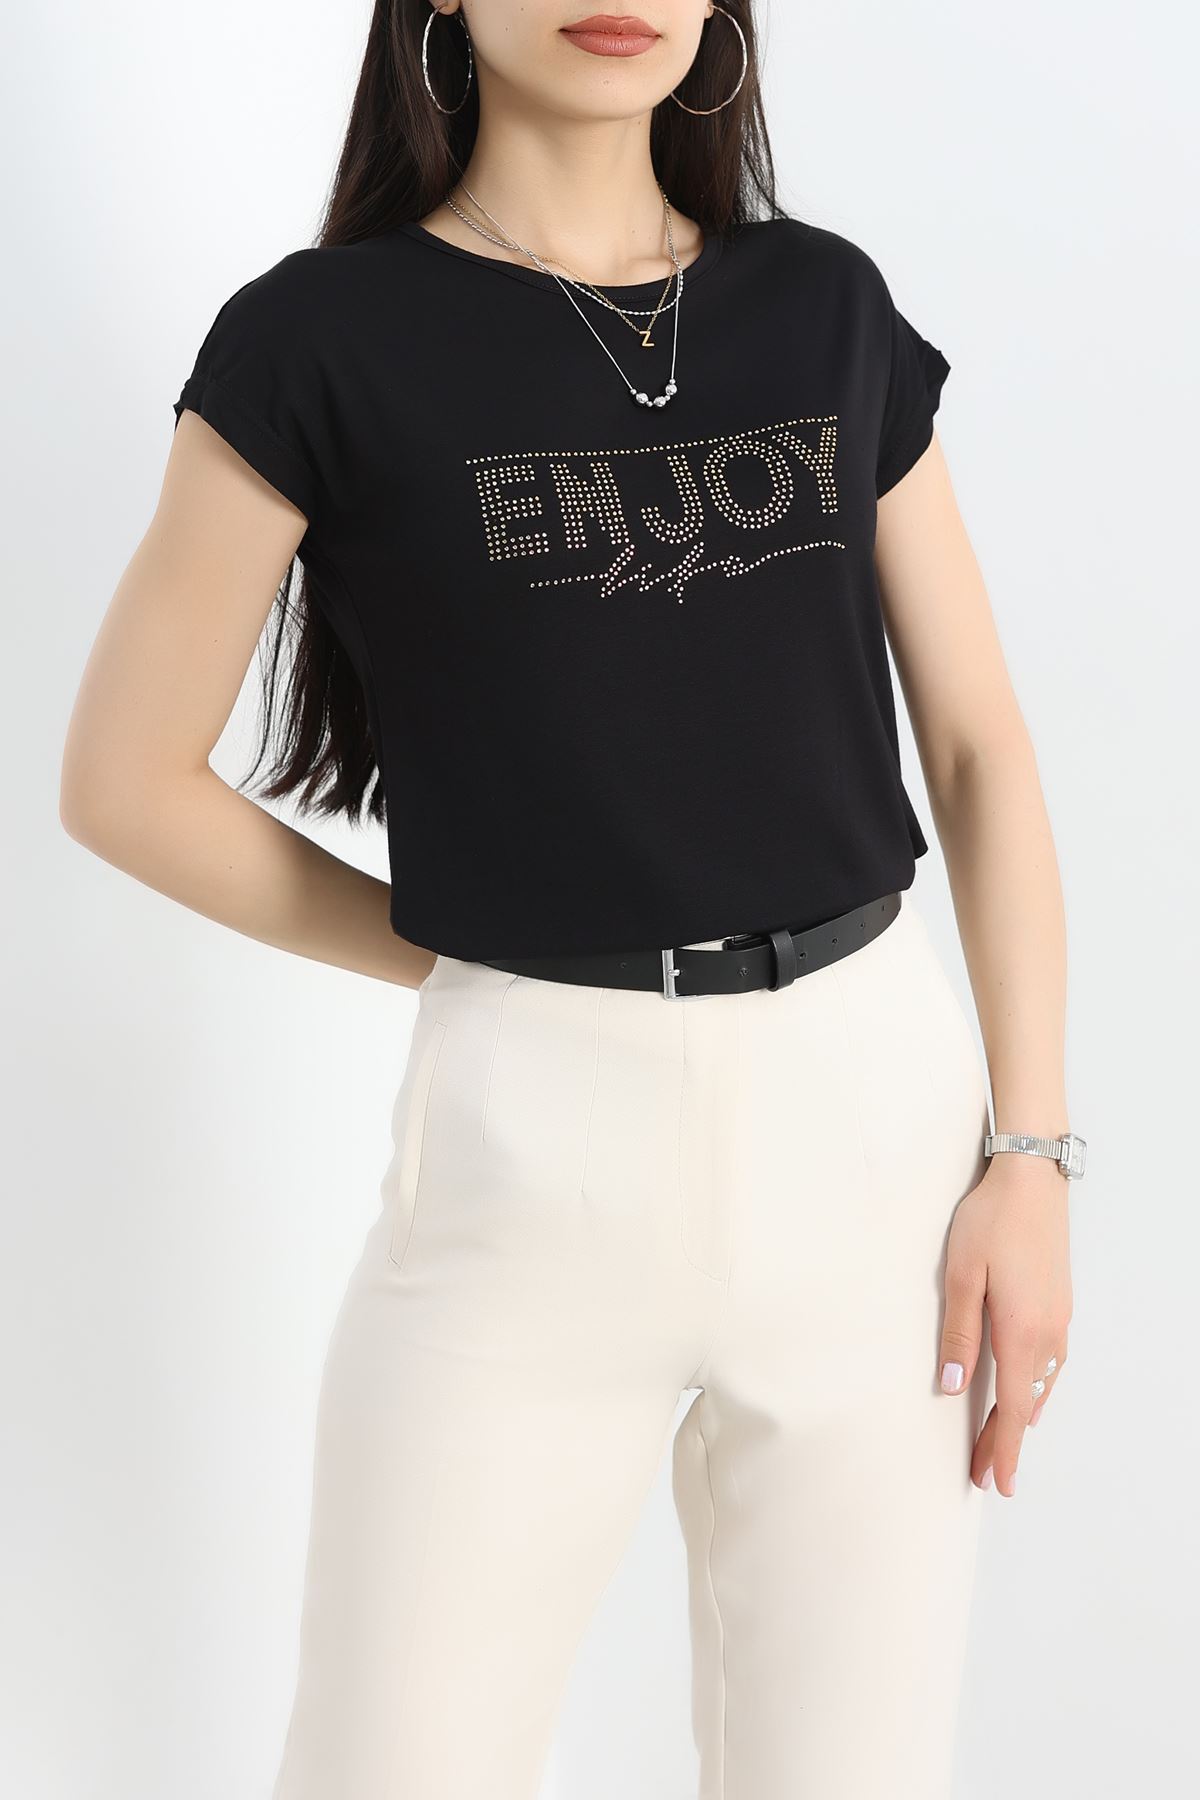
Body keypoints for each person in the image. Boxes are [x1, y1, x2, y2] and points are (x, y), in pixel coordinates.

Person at [59, 4, 1085, 1795]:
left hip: (873, 1133)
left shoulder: (822, 306)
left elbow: (981, 749)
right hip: (535, 1148)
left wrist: (1034, 1157)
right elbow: (123, 780)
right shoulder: (320, 340)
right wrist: (474, 949)